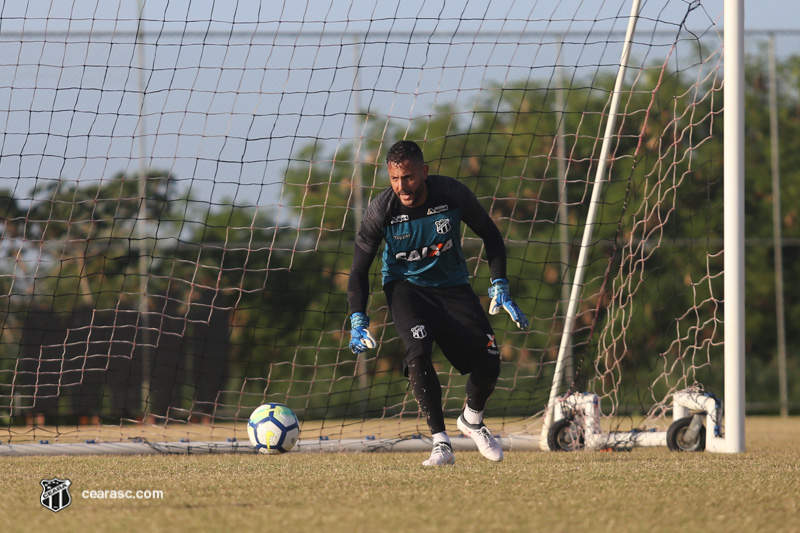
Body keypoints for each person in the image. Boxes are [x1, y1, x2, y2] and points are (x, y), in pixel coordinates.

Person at [347, 140, 529, 466]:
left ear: (424, 172)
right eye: (394, 179)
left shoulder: (452, 194)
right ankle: (440, 443)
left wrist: (499, 283)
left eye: (409, 178)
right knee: (417, 352)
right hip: (406, 288)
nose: (402, 186)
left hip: (454, 287)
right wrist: (357, 318)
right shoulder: (381, 210)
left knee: (489, 362)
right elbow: (359, 269)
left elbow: (491, 236)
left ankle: (472, 420)